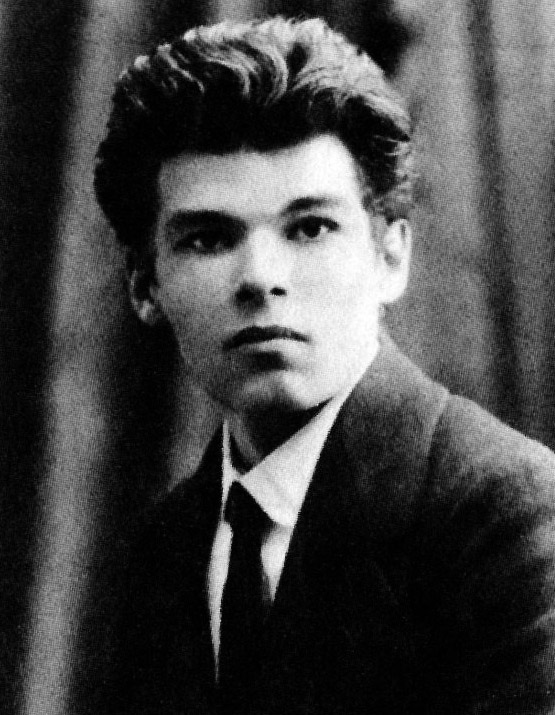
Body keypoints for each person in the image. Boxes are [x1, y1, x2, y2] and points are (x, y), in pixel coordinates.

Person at [94, 16, 555, 715]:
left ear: (391, 256)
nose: (261, 277)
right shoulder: (168, 545)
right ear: (144, 286)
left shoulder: (507, 515)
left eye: (310, 227)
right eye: (208, 238)